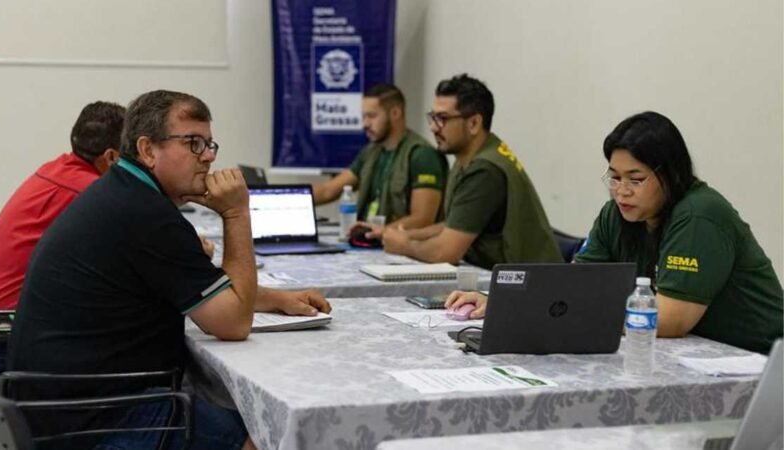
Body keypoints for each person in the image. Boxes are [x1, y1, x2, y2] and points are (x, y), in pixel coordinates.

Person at [7, 90, 331, 450]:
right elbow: (233, 324)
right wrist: (236, 213)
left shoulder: (124, 193)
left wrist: (274, 299)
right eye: (193, 143)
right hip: (97, 420)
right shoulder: (148, 215)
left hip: (51, 407)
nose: (208, 156)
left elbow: (192, 287)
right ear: (148, 150)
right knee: (269, 433)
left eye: (209, 144)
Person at [449, 111, 783, 353]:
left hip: (757, 362)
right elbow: (572, 286)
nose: (621, 191)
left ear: (671, 174)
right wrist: (506, 304)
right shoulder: (617, 214)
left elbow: (668, 321)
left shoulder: (699, 215)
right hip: (695, 355)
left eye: (635, 180)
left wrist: (572, 310)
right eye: (614, 177)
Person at [382, 74, 561, 269]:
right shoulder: (469, 157)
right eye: (432, 117)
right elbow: (456, 225)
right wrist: (406, 235)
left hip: (533, 284)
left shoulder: (484, 171)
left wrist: (405, 246)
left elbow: (445, 252)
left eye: (442, 118)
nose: (433, 127)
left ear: (474, 123)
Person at [0, 101, 124, 314]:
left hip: (0, 308)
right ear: (112, 157)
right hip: (12, 319)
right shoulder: (92, 191)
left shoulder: (54, 169)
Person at [312, 83, 448, 234]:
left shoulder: (422, 155)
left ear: (395, 113)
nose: (365, 124)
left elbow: (422, 219)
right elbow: (328, 191)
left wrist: (379, 232)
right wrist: (294, 198)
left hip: (399, 244)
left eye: (372, 116)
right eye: (363, 117)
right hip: (367, 240)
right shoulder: (371, 152)